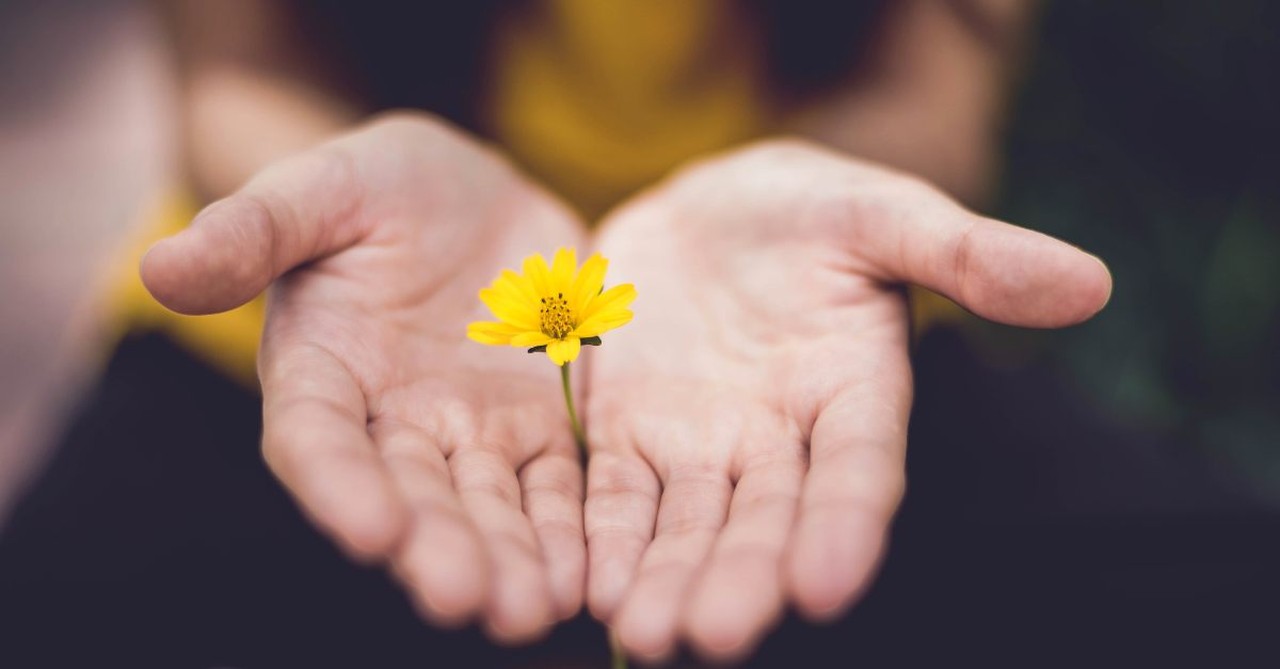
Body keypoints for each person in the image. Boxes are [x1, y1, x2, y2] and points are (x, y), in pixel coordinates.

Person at [0, 1, 1132, 666]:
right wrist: (310, 194)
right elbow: (236, 67)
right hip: (341, 327)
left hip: (791, 334)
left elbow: (934, 85)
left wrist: (838, 184)